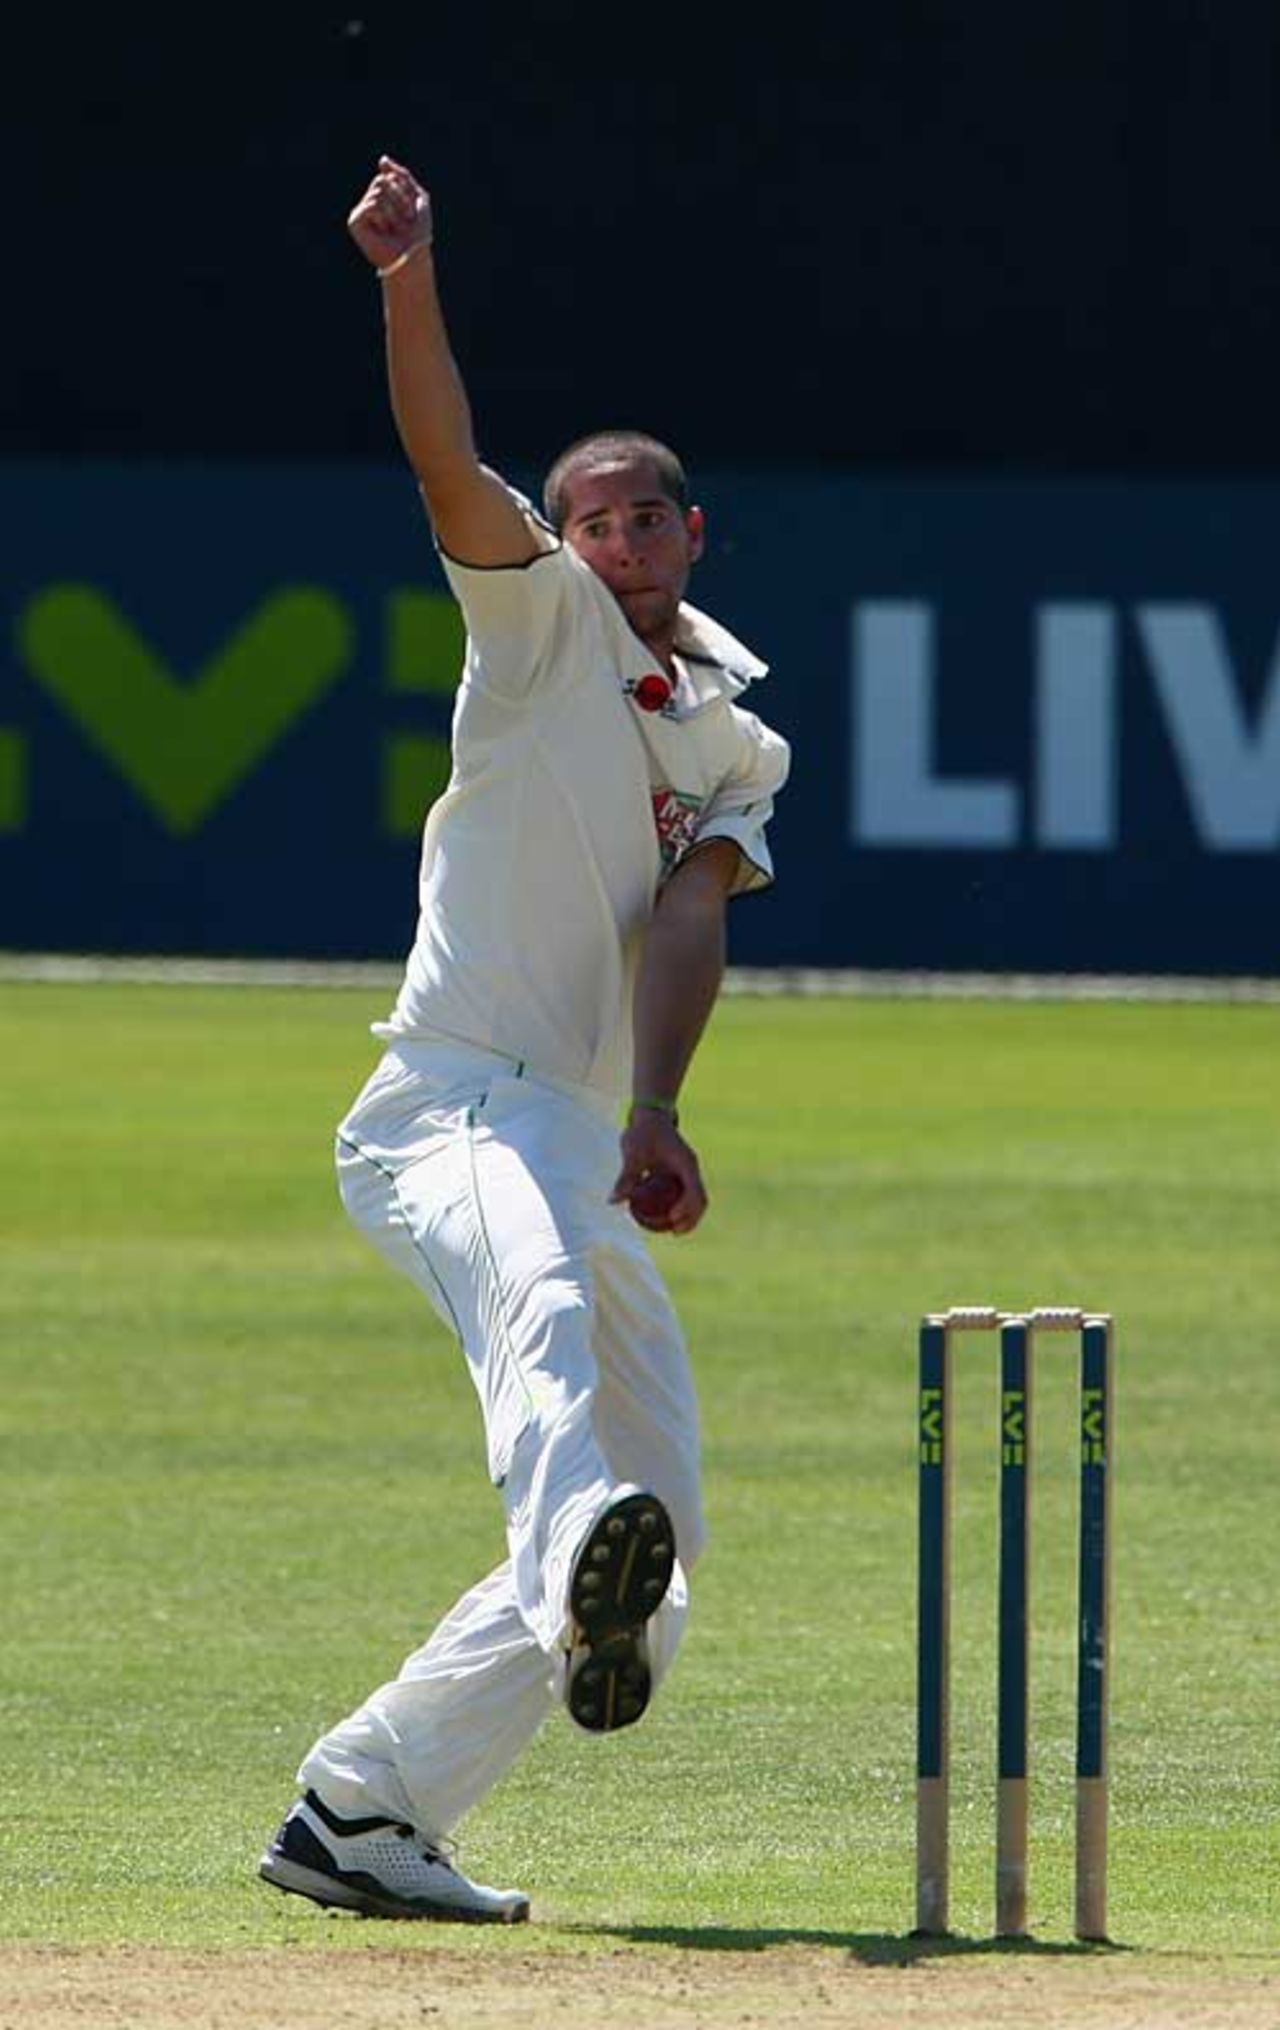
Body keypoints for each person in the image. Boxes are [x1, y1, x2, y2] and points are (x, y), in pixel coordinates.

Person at [258, 156, 790, 1924]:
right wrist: (405, 281)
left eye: (645, 520)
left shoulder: (736, 737)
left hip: (576, 1125)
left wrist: (658, 1107)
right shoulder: (537, 620)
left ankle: (365, 1802)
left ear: (693, 533)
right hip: (446, 1104)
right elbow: (445, 464)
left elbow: (693, 914)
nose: (618, 544)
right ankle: (573, 1561)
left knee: (662, 1524)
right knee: (543, 1332)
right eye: (593, 521)